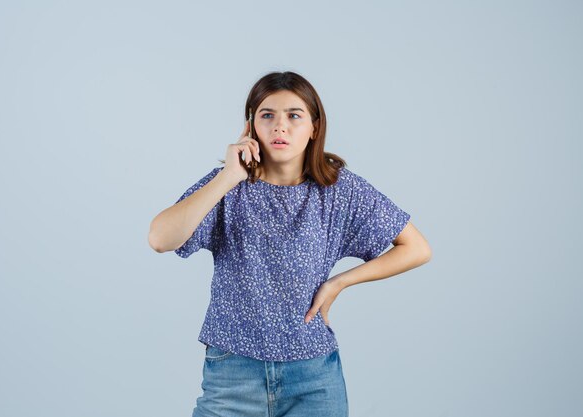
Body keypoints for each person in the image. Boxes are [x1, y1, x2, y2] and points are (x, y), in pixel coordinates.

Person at [148, 71, 432, 417]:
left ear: (314, 127)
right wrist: (228, 177)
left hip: (313, 376)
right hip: (233, 370)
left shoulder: (339, 190)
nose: (279, 127)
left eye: (294, 116)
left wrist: (339, 283)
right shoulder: (227, 187)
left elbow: (417, 248)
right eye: (267, 115)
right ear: (251, 126)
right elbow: (160, 239)